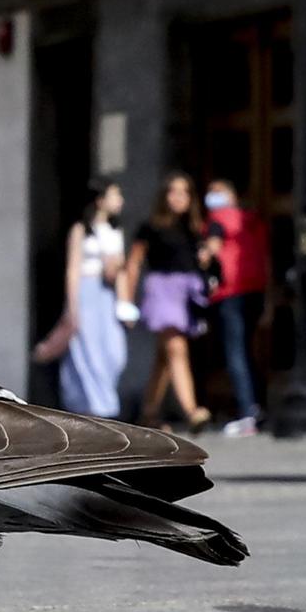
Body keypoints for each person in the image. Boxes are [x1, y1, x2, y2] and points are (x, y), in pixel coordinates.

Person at [122, 170, 215, 432]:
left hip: (185, 293)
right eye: (173, 191)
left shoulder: (194, 229)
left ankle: (149, 412)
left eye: (184, 192)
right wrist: (127, 302)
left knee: (164, 357)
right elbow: (134, 263)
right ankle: (191, 410)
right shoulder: (151, 226)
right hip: (161, 291)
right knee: (177, 348)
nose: (179, 197)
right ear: (164, 196)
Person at [49, 180, 129, 418]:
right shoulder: (81, 230)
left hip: (108, 295)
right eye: (115, 195)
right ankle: (99, 409)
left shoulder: (116, 231)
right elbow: (73, 269)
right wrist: (72, 306)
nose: (120, 200)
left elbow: (121, 270)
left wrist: (124, 302)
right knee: (87, 351)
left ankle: (102, 404)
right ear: (100, 200)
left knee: (114, 352)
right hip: (86, 292)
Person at [204, 179, 268, 435]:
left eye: (218, 192)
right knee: (248, 349)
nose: (213, 197)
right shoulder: (252, 220)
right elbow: (266, 258)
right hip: (255, 289)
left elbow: (212, 250)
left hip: (229, 291)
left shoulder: (217, 220)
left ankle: (246, 412)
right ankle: (258, 406)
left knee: (235, 352)